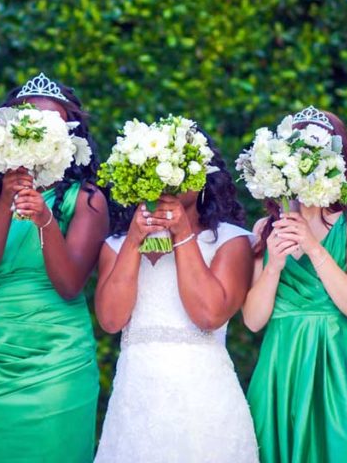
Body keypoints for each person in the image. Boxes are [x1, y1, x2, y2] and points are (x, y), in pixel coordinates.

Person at [0, 73, 108, 462]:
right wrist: (8, 198)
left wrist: (45, 221)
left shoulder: (88, 199)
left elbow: (70, 284)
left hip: (60, 361)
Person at [94, 129, 258, 462]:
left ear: (200, 179)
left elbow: (209, 315)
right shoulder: (115, 245)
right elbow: (111, 320)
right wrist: (133, 242)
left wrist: (182, 233)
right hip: (136, 398)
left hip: (203, 397)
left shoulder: (231, 241)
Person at [244, 108, 347, 463]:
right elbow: (253, 321)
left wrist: (314, 247)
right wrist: (273, 265)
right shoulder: (264, 229)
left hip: (336, 361)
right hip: (280, 365)